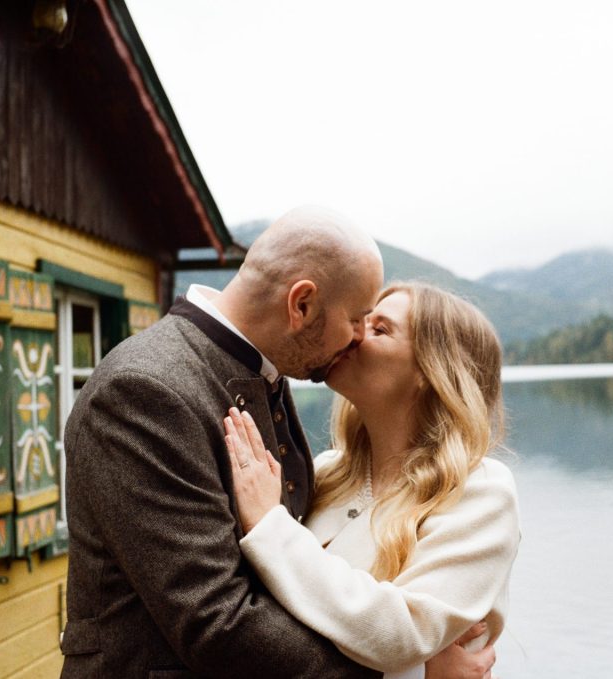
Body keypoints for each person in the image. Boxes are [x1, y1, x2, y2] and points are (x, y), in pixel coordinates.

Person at [60, 207, 493, 678]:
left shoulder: (263, 376)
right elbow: (217, 619)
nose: (356, 339)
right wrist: (411, 675)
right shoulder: (146, 389)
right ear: (301, 305)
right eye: (356, 318)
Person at [223, 282, 521, 679]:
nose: (354, 335)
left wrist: (268, 526)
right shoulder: (326, 471)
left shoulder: (480, 490)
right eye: (361, 321)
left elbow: (401, 635)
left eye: (380, 329)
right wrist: (420, 672)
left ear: (431, 374)